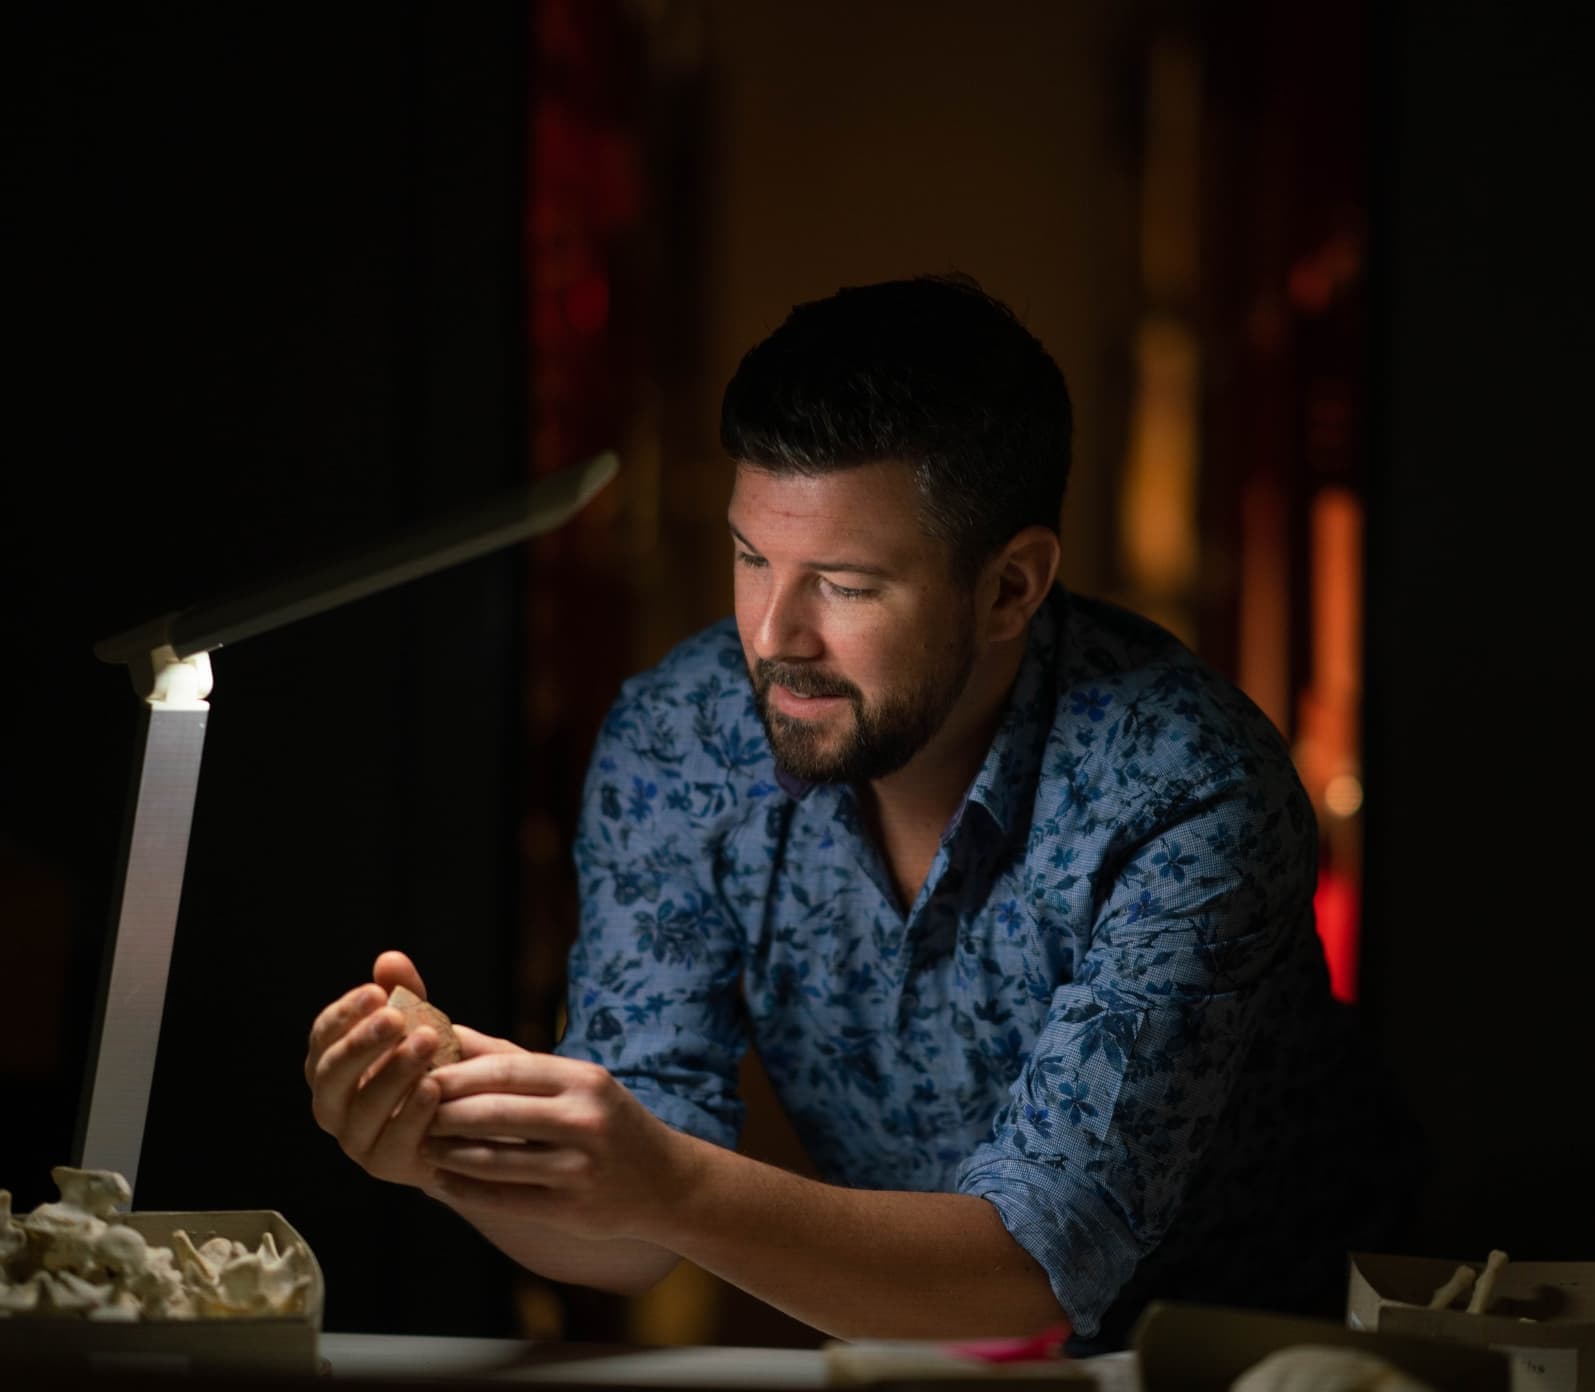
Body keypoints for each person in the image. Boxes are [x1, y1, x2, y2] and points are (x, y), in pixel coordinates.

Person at [306, 275, 1400, 1353]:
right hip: (911, 1342)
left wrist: (665, 1183)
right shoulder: (678, 740)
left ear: (1009, 588)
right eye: (750, 558)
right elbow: (628, 1231)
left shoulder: (1187, 789)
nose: (773, 634)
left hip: (1267, 1356)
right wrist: (448, 1142)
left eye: (843, 583)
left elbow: (1030, 1269)